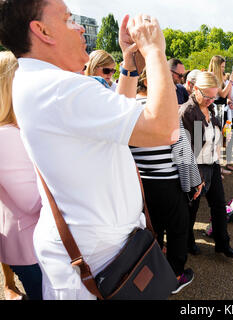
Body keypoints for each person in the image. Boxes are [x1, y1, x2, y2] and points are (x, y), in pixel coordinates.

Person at [0, 0, 180, 300]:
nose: (80, 27)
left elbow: (110, 127)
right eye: (69, 19)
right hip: (101, 267)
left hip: (98, 256)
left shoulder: (38, 81)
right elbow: (165, 129)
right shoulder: (58, 87)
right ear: (42, 30)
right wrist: (155, 51)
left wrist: (129, 64)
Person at [129, 68, 203, 292]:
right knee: (178, 229)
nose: (172, 89)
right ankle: (175, 277)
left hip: (139, 183)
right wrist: (194, 182)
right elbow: (181, 148)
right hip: (166, 181)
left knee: (151, 230)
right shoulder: (165, 109)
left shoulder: (127, 106)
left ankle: (150, 275)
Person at [179, 71, 233, 258]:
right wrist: (196, 176)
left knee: (219, 205)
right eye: (207, 96)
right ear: (195, 89)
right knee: (192, 209)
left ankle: (222, 243)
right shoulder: (187, 112)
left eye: (214, 97)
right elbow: (186, 149)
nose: (210, 100)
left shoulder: (210, 109)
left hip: (211, 163)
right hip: (196, 167)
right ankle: (188, 243)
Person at [0, 51, 43, 300]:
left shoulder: (13, 130)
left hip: (31, 242)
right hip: (29, 248)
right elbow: (32, 202)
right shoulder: (7, 136)